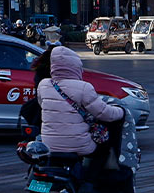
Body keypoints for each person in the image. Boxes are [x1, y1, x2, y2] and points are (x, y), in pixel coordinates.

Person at [37, 46, 124, 174]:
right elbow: (104, 113)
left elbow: (42, 104)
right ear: (75, 66)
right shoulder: (84, 87)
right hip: (78, 145)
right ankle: (91, 180)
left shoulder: (43, 84)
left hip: (49, 144)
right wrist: (121, 111)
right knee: (103, 149)